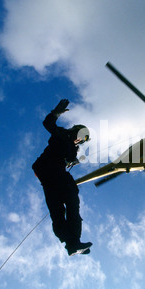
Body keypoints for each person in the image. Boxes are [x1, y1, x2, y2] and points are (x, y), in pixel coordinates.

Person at [32, 99, 92, 256]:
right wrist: (56, 113)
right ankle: (73, 241)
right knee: (72, 201)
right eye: (81, 135)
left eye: (84, 139)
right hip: (52, 172)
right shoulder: (63, 135)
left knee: (57, 210)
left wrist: (73, 160)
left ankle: (71, 245)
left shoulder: (71, 146)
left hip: (48, 177)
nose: (80, 139)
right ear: (75, 130)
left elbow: (66, 157)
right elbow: (48, 124)